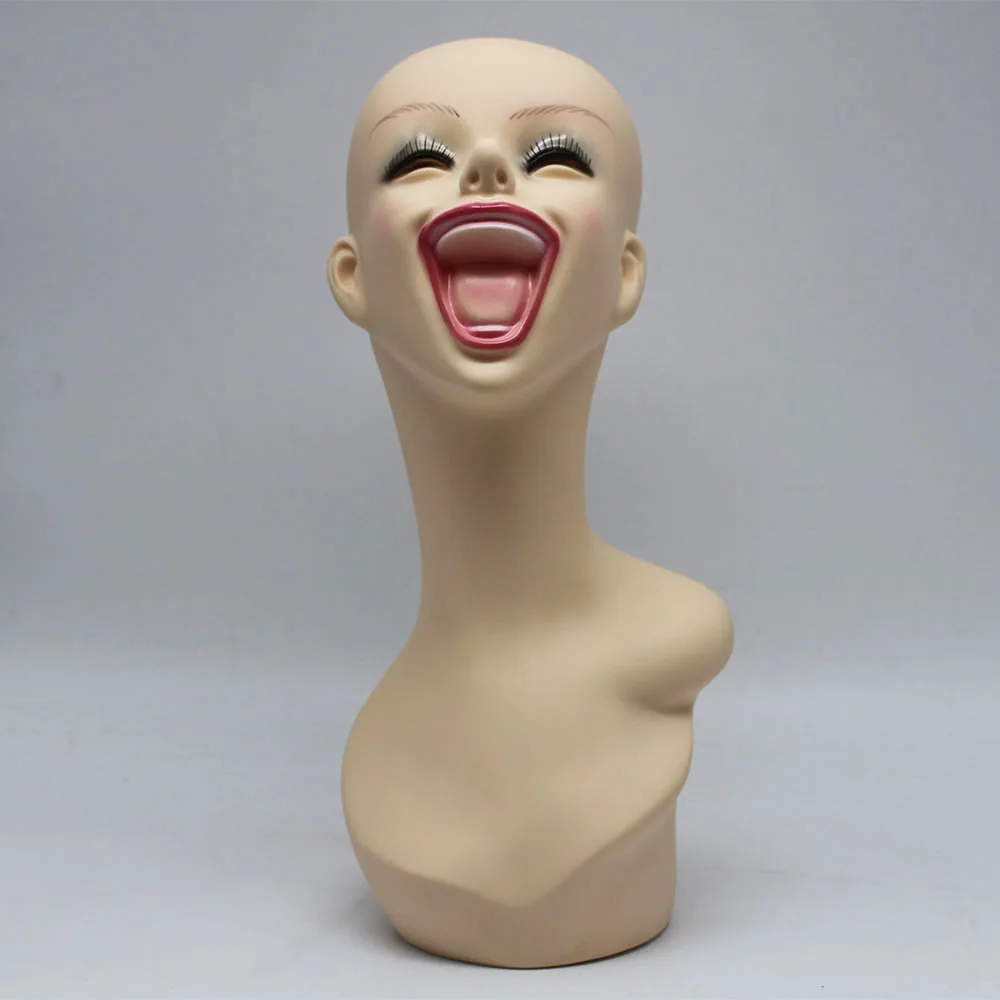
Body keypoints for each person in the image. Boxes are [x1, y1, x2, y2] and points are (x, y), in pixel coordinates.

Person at [328, 36, 734, 968]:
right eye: (419, 157)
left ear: (624, 275)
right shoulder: (382, 746)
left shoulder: (672, 644)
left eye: (556, 155)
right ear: (354, 277)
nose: (484, 168)